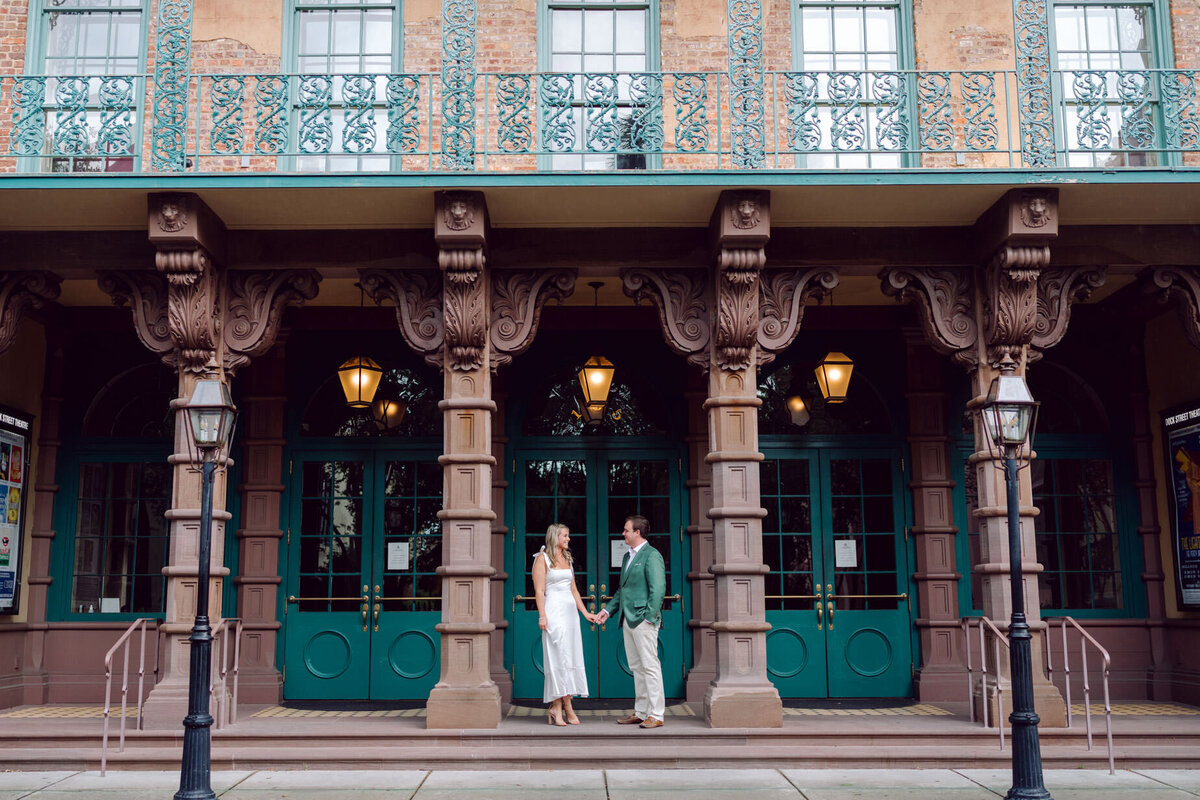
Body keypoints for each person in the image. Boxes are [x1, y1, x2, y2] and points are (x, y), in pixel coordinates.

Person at [596, 514, 666, 729]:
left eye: (626, 530)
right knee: (637, 667)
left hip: (643, 620)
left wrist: (649, 618)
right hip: (627, 619)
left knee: (650, 666)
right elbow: (623, 590)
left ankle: (656, 714)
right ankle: (642, 712)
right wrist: (607, 611)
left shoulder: (652, 555)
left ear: (637, 532)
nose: (623, 533)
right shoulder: (628, 556)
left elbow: (658, 589)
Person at [532, 523, 597, 726]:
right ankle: (563, 706)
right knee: (558, 659)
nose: (568, 539)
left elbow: (574, 590)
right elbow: (539, 591)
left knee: (569, 657)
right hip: (554, 612)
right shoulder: (542, 559)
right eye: (565, 536)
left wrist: (585, 612)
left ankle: (561, 706)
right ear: (555, 537)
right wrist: (542, 616)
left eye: (568, 536)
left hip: (570, 615)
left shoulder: (567, 559)